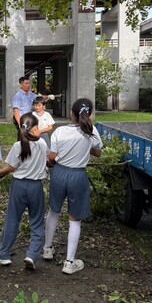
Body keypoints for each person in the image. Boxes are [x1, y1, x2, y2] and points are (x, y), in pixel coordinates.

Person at [42, 99, 103, 275]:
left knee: (54, 211)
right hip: (78, 176)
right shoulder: (91, 131)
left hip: (59, 174)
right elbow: (98, 152)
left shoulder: (60, 131)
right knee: (75, 219)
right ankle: (69, 262)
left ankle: (47, 248)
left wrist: (53, 162)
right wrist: (82, 148)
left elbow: (52, 157)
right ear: (89, 115)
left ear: (71, 113)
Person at [0, 112, 49, 270]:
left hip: (19, 186)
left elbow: (11, 168)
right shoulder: (42, 143)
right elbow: (49, 161)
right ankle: (32, 255)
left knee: (12, 219)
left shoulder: (18, 145)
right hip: (36, 187)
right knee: (37, 222)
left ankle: (4, 255)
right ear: (35, 128)